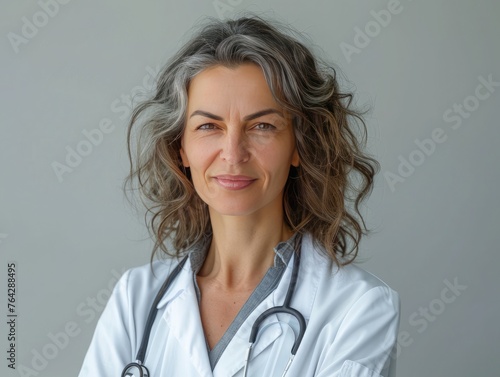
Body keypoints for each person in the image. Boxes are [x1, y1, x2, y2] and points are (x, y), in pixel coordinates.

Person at [78, 14, 400, 377]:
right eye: (208, 127)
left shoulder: (359, 307)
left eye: (262, 126)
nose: (233, 153)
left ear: (299, 146)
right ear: (180, 149)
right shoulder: (135, 298)